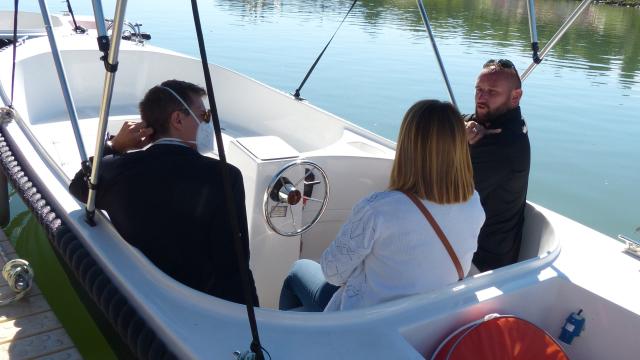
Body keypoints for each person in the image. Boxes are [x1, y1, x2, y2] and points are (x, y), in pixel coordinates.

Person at [279, 100, 485, 312]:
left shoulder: (377, 210)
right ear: (459, 148)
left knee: (298, 270)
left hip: (367, 323)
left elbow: (333, 273)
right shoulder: (473, 203)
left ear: (407, 147)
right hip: (426, 321)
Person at [69, 79, 259, 306]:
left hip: (145, 298)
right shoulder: (224, 177)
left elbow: (79, 186)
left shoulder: (117, 169)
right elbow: (234, 266)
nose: (208, 123)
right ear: (178, 119)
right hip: (202, 304)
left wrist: (115, 147)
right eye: (204, 116)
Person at [464, 59, 531, 272]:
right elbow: (449, 119)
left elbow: (443, 193)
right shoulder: (497, 121)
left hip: (481, 261)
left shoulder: (504, 143)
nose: (481, 98)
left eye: (492, 92)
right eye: (479, 90)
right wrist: (461, 127)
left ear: (515, 96)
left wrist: (460, 140)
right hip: (467, 245)